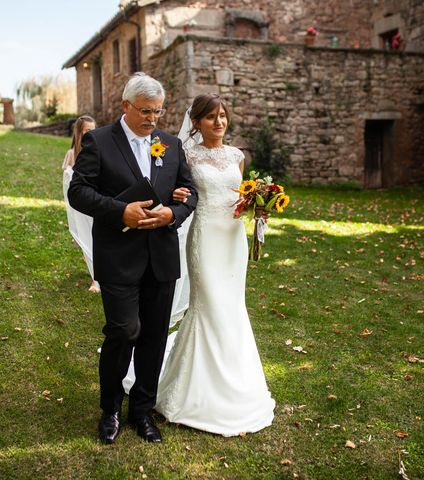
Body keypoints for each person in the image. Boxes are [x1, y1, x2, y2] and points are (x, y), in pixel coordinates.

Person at [68, 73, 197, 444]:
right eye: (145, 111)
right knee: (124, 330)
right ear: (125, 106)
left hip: (160, 256)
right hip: (118, 256)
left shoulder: (171, 145)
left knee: (154, 337)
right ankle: (110, 409)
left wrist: (173, 213)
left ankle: (142, 411)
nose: (152, 119)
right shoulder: (99, 140)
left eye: (158, 112)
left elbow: (189, 195)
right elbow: (78, 191)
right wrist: (119, 211)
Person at [154, 93, 276, 436]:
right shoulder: (186, 154)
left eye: (223, 116)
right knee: (208, 305)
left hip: (231, 240)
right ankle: (191, 391)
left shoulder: (237, 156)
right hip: (204, 237)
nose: (218, 122)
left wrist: (258, 205)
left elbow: (239, 196)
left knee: (232, 306)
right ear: (197, 122)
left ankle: (236, 384)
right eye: (211, 117)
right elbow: (179, 191)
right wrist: (176, 196)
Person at [62, 115, 99, 292]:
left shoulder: (99, 150)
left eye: (93, 130)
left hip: (96, 201)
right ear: (78, 132)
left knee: (97, 238)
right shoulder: (72, 154)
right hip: (79, 205)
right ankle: (95, 279)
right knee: (85, 238)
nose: (91, 134)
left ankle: (99, 275)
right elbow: (67, 182)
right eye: (87, 131)